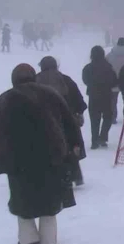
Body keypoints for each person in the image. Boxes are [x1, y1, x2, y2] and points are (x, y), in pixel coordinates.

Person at [0, 64, 84, 244]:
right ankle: (48, 241)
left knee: (22, 198)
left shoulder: (5, 98)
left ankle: (28, 238)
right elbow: (69, 123)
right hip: (51, 155)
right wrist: (75, 145)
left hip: (18, 159)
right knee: (49, 198)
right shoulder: (51, 94)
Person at [37, 56, 87, 186]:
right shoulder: (66, 80)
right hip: (67, 120)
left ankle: (57, 178)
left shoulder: (35, 81)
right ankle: (76, 176)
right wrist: (77, 113)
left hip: (44, 122)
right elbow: (80, 102)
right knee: (71, 147)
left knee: (50, 150)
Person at [82, 46, 118, 149]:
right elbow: (114, 81)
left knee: (94, 119)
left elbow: (85, 80)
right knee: (108, 117)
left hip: (93, 96)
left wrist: (92, 85)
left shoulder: (88, 67)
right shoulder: (108, 67)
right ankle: (103, 137)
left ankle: (94, 141)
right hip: (106, 96)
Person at [106, 38, 124, 126]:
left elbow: (106, 66)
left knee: (113, 101)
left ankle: (113, 118)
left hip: (113, 81)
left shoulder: (109, 55)